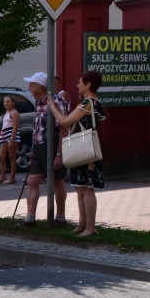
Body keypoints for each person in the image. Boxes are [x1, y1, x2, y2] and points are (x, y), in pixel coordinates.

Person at [48, 70, 106, 237]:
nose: (77, 85)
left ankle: (90, 227)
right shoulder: (93, 103)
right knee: (80, 188)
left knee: (86, 188)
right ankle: (82, 225)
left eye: (80, 82)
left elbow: (65, 122)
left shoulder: (87, 103)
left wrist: (52, 107)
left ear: (88, 85)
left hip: (84, 150)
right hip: (83, 149)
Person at [22, 72, 69, 227]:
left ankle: (60, 217)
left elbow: (64, 128)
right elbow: (38, 127)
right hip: (40, 146)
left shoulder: (56, 101)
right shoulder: (38, 102)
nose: (29, 87)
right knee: (32, 180)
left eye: (32, 84)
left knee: (57, 181)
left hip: (54, 145)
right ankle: (30, 218)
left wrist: (59, 154)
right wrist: (35, 147)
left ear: (40, 87)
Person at [0, 95, 20, 185]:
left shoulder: (14, 113)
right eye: (5, 102)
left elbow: (15, 127)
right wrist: (1, 135)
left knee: (11, 157)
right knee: (1, 157)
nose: (6, 103)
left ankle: (12, 178)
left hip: (11, 135)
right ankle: (2, 177)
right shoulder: (5, 113)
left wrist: (11, 140)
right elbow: (4, 126)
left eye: (8, 102)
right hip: (4, 135)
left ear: (13, 103)